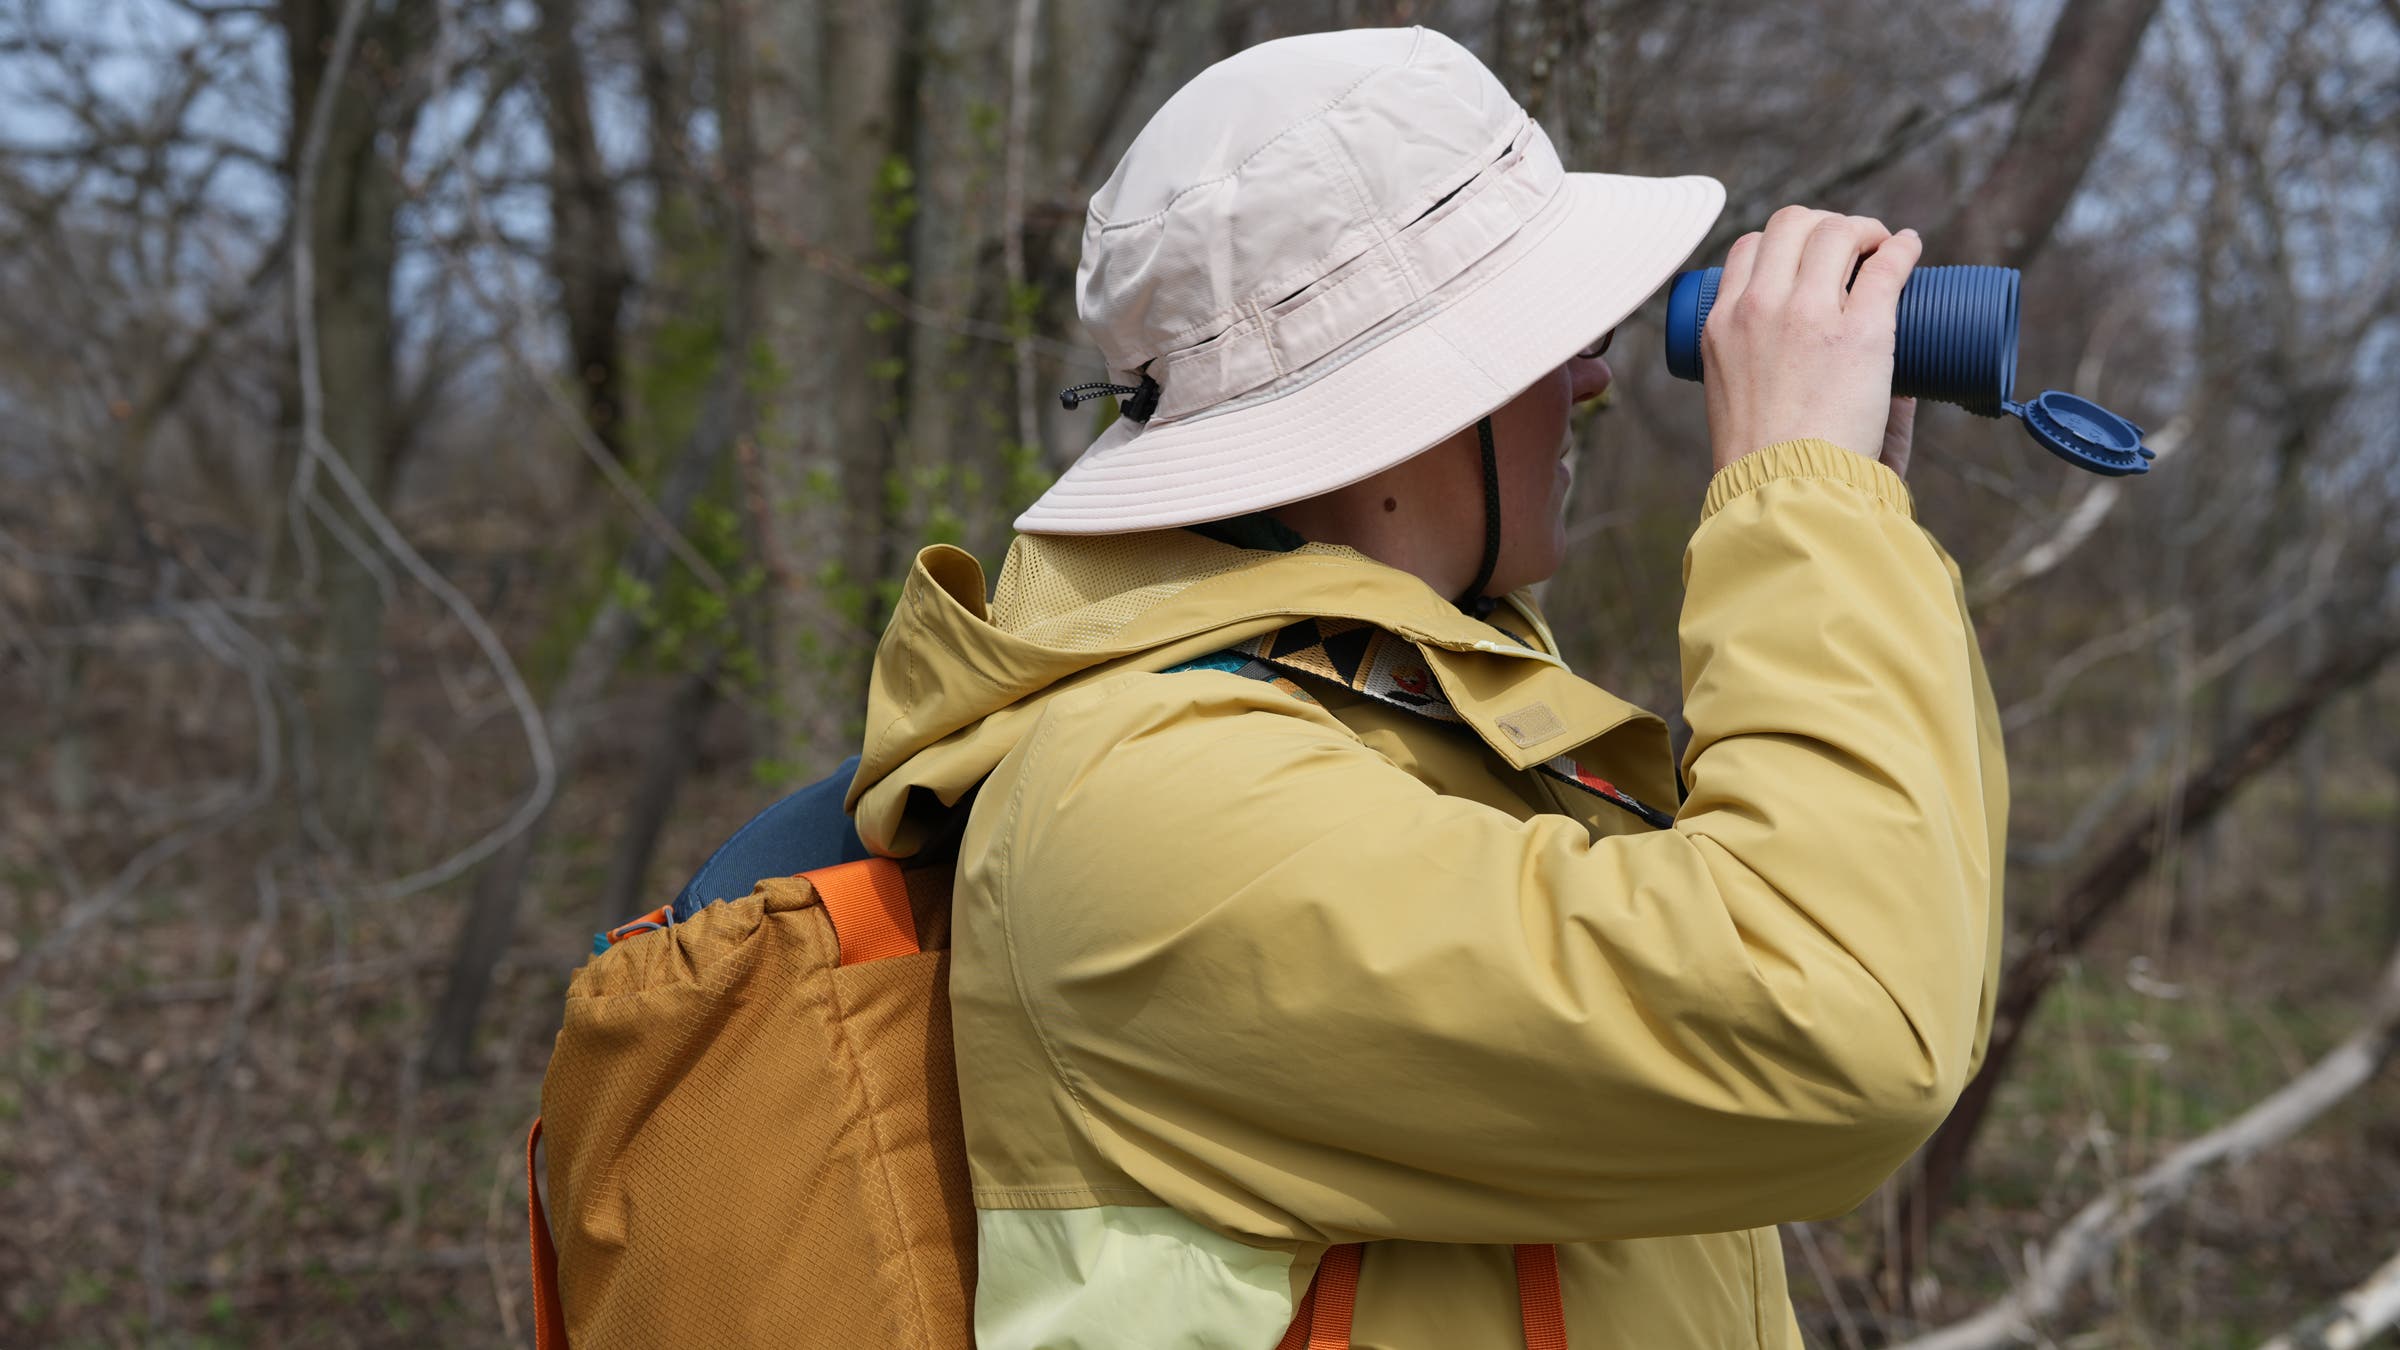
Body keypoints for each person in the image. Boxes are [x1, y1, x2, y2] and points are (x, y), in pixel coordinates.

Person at [845, 26, 2005, 1349]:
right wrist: (1804, 509)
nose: (1594, 376)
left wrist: (1868, 527)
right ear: (1393, 404)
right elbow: (1838, 1024)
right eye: (1546, 332)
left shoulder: (1416, 698)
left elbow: (1915, 961)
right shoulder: (1148, 795)